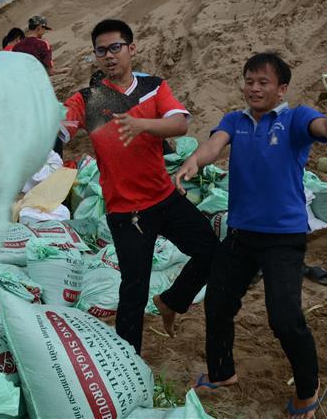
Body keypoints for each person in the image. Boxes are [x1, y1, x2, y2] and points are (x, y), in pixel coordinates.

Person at [175, 52, 327, 418]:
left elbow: (322, 127)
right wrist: (196, 160)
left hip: (283, 238)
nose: (254, 88)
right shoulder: (234, 120)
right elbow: (214, 143)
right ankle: (223, 373)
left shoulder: (294, 118)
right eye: (249, 81)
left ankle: (308, 389)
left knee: (284, 317)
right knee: (218, 303)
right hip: (241, 234)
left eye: (263, 82)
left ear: (281, 88)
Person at [59, 18, 218, 354]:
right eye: (101, 51)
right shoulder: (86, 99)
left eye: (115, 47)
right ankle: (129, 358)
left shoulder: (154, 88)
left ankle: (172, 300)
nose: (109, 56)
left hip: (164, 198)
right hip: (125, 211)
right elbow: (61, 130)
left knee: (212, 251)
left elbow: (181, 124)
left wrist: (141, 124)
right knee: (134, 289)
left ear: (131, 48)